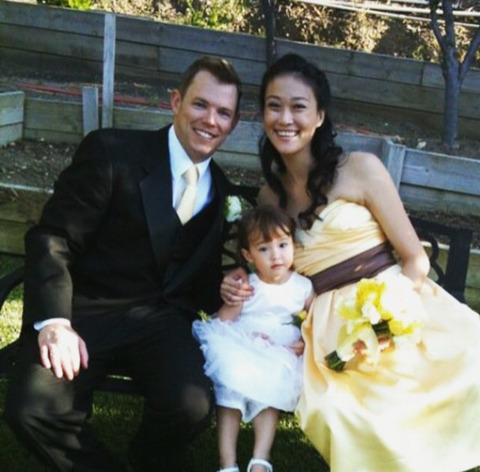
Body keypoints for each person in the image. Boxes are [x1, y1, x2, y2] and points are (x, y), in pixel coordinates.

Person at [221, 53, 480, 472]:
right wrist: (241, 273)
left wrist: (390, 315)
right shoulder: (270, 197)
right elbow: (273, 267)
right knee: (341, 409)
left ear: (320, 116)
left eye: (298, 106)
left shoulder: (361, 169)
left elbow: (415, 258)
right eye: (273, 106)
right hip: (327, 326)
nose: (285, 118)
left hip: (393, 300)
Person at [4, 56, 242, 472]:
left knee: (192, 405)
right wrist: (55, 323)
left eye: (223, 112)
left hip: (163, 323)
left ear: (234, 124)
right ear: (176, 101)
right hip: (87, 311)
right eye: (200, 104)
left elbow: (195, 276)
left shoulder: (222, 192)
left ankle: (146, 456)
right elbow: (53, 238)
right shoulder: (113, 152)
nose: (211, 120)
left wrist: (227, 286)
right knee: (33, 410)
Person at [193, 204, 314, 472]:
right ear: (248, 255)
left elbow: (315, 322)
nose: (276, 255)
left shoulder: (303, 287)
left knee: (270, 392)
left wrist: (307, 341)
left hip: (280, 352)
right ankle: (227, 462)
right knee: (230, 390)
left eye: (282, 245)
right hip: (244, 345)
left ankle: (260, 458)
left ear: (293, 245)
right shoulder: (248, 285)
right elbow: (224, 322)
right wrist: (235, 305)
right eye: (264, 249)